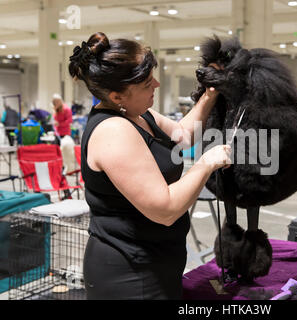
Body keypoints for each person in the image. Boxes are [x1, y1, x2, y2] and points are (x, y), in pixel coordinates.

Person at [68, 32, 231, 300]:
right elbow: (164, 209)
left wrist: (209, 94)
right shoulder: (113, 131)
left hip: (157, 261)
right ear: (117, 96)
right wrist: (205, 164)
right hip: (130, 274)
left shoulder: (137, 113)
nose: (156, 84)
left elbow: (182, 134)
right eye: (146, 83)